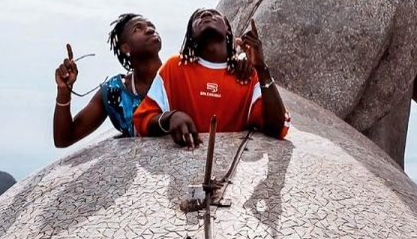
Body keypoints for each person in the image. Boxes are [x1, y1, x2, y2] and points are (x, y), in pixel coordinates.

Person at [133, 8, 290, 148]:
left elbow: (277, 128)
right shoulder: (174, 67)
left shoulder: (247, 74)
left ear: (228, 29)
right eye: (198, 16)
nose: (206, 14)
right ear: (191, 35)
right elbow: (142, 120)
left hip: (229, 176)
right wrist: (170, 118)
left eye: (215, 14)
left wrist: (261, 68)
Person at [52, 14, 162, 147]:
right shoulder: (114, 92)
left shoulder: (179, 74)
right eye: (138, 29)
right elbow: (63, 139)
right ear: (125, 48)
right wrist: (64, 90)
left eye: (152, 26)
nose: (150, 30)